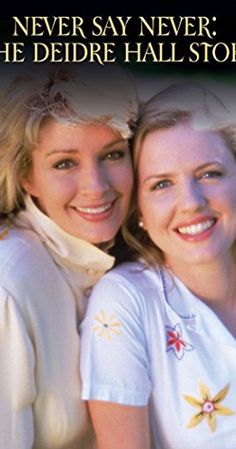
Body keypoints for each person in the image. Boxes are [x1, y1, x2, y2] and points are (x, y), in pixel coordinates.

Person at [80, 82, 236, 449]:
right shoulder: (126, 302)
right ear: (140, 213)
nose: (191, 203)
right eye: (162, 184)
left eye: (209, 173)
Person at [0, 63, 138, 449]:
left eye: (112, 155)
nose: (96, 187)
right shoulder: (9, 283)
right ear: (26, 175)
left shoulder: (142, 255)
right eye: (64, 163)